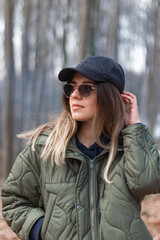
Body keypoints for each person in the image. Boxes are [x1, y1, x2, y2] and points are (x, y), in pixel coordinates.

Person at [1, 55, 160, 240]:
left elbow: (150, 182)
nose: (75, 95)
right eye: (71, 87)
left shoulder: (128, 147)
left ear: (109, 95)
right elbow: (13, 200)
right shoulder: (45, 147)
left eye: (85, 88)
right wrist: (43, 230)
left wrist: (134, 127)